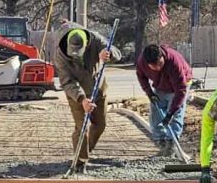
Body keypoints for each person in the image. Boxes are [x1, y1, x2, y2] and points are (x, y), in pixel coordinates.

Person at [53, 25, 122, 170]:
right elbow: (67, 82)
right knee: (81, 128)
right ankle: (80, 162)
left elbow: (117, 53)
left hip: (98, 88)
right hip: (76, 94)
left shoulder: (96, 40)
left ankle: (85, 150)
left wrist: (108, 54)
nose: (75, 55)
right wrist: (82, 99)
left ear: (86, 44)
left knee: (100, 124)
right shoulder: (60, 56)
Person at [135, 42, 192, 155]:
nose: (158, 67)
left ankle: (171, 143)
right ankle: (161, 141)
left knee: (176, 114)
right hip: (160, 85)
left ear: (162, 56)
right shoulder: (142, 62)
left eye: (160, 64)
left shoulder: (174, 62)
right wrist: (150, 93)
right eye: (154, 66)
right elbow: (141, 77)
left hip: (180, 85)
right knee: (155, 112)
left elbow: (180, 90)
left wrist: (171, 113)